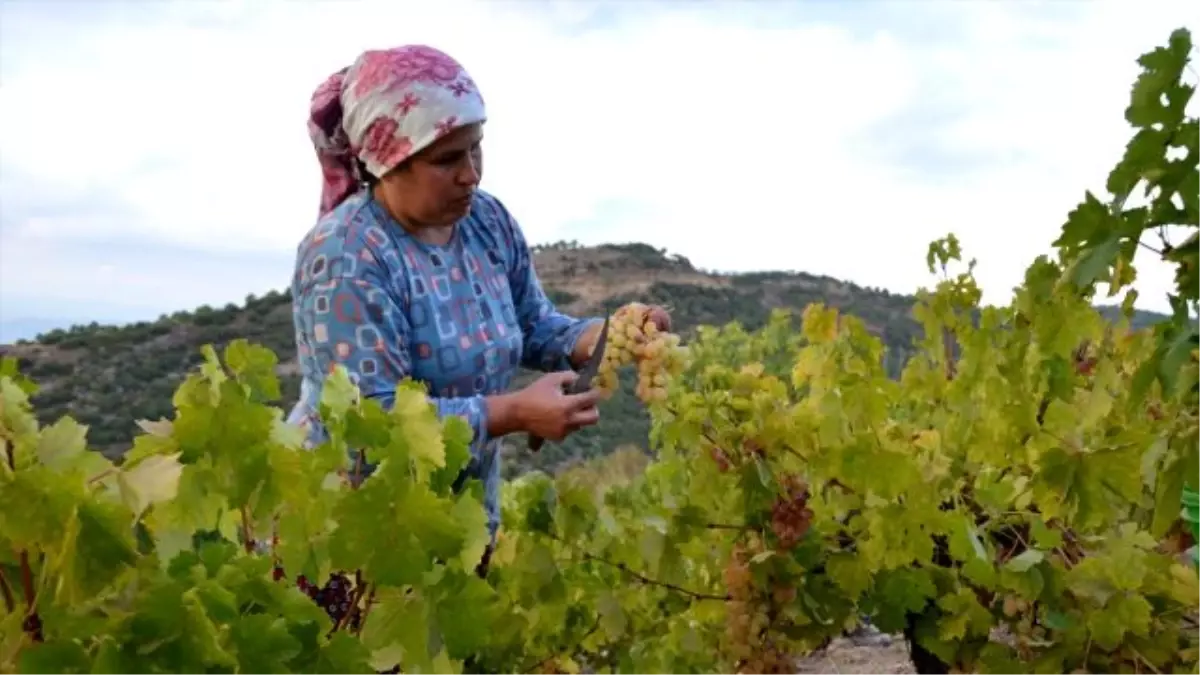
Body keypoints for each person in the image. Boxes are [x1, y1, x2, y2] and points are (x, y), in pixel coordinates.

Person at [286, 45, 671, 551]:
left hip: (462, 525)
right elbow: (368, 426)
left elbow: (531, 325)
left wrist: (604, 335)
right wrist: (510, 413)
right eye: (448, 159)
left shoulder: (486, 222)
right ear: (387, 163)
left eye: (476, 148)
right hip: (355, 538)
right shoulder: (345, 256)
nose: (471, 173)